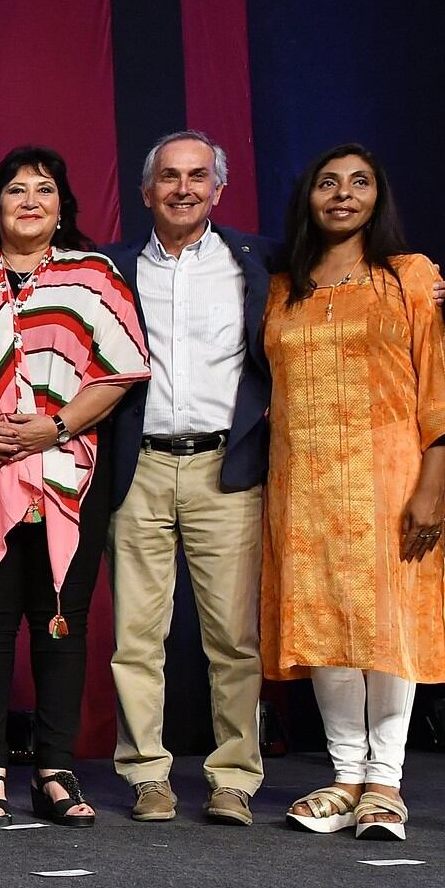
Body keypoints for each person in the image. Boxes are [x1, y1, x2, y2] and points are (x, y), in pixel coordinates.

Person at [262, 144, 445, 842]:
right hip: (302, 483)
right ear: (306, 196)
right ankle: (345, 773)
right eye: (326, 182)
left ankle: (386, 779)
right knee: (323, 624)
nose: (341, 194)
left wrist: (432, 481)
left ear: (379, 196)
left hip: (389, 477)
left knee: (385, 622)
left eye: (358, 182)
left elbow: (437, 381)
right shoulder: (282, 285)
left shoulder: (407, 276)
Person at [0, 146, 149, 829]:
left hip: (67, 473)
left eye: (43, 189)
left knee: (60, 619)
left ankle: (54, 769)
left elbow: (118, 372)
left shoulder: (93, 275)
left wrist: (53, 427)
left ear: (62, 205)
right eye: (15, 190)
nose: (30, 199)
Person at [102, 131, 277, 826]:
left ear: (216, 189)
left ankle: (233, 776)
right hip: (138, 466)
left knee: (233, 637)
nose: (182, 188)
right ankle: (147, 774)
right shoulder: (110, 267)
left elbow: (346, 264)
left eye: (195, 177)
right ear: (145, 192)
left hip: (225, 469)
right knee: (135, 637)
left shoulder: (257, 260)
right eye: (167, 177)